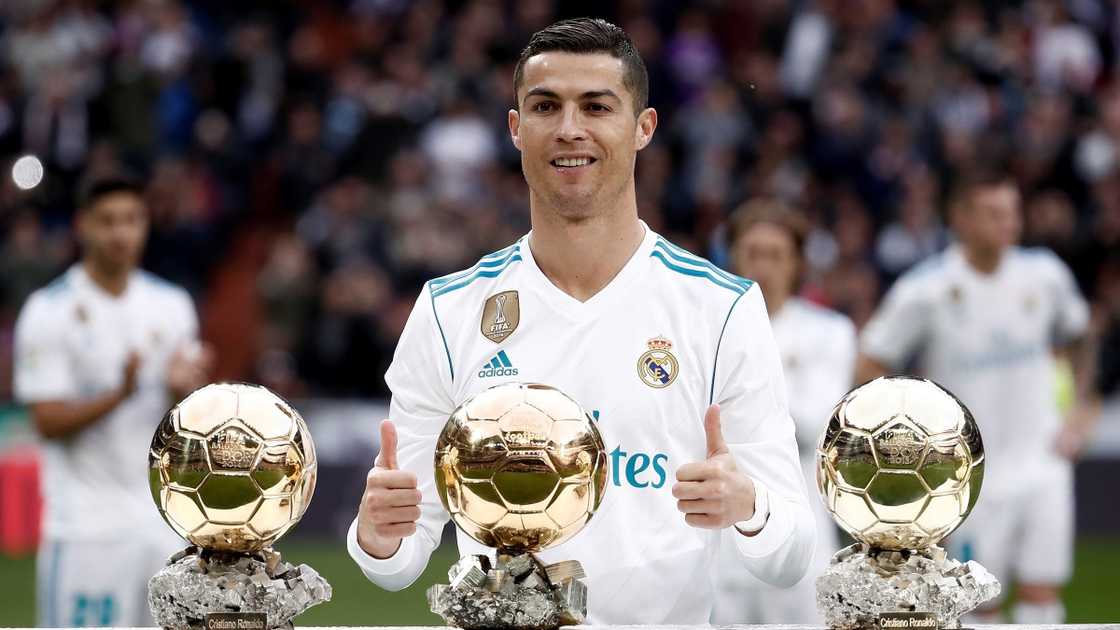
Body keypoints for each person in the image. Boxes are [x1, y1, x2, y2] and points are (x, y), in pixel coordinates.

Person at [347, 18, 814, 623]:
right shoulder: (448, 310)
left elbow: (790, 556)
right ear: (516, 128)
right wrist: (378, 535)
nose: (570, 129)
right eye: (546, 106)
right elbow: (398, 561)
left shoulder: (720, 308)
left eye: (596, 107)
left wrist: (749, 507)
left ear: (643, 127)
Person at [856, 172, 1099, 624]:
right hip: (970, 476)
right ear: (961, 218)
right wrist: (912, 442)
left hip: (1044, 460)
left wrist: (1082, 411)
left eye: (1012, 212)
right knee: (977, 601)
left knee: (1043, 593)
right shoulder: (926, 288)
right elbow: (870, 362)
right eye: (993, 213)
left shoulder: (1044, 274)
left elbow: (1083, 336)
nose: (1008, 223)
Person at [13, 174, 213, 627]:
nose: (121, 233)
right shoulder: (49, 310)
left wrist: (184, 390)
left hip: (163, 523)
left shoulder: (172, 304)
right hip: (85, 526)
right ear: (82, 225)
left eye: (131, 219)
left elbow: (188, 419)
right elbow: (47, 421)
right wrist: (120, 394)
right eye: (107, 221)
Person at [711, 199, 856, 624]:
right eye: (753, 253)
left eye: (776, 255)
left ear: (796, 264)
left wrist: (735, 396)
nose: (764, 266)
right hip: (721, 538)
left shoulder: (831, 332)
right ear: (732, 257)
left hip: (800, 523)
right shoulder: (704, 329)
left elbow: (814, 423)